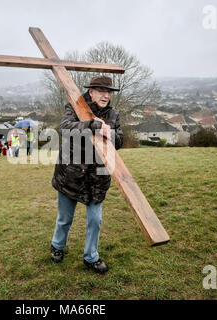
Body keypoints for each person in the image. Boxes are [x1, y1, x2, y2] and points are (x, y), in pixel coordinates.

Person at [50, 76, 124, 274]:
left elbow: (119, 140)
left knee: (95, 220)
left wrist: (111, 134)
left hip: (98, 176)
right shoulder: (74, 107)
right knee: (65, 217)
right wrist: (91, 125)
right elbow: (64, 128)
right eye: (101, 90)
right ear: (91, 91)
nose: (106, 95)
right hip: (71, 174)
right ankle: (57, 247)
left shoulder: (113, 114)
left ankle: (91, 257)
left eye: (108, 92)